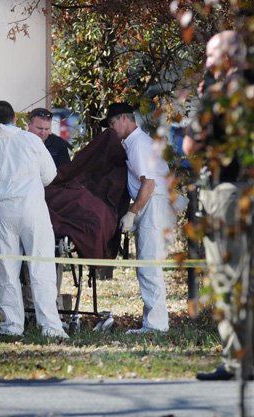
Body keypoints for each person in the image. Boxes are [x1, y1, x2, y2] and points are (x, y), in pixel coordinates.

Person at [183, 30, 254, 381]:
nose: (207, 62)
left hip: (227, 192)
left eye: (212, 55)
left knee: (229, 280)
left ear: (229, 57)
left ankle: (240, 362)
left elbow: (189, 147)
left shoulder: (217, 94)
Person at [0, 100, 68, 339]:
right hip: (32, 207)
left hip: (2, 210)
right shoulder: (32, 141)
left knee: (6, 269)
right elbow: (49, 175)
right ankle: (51, 327)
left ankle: (13, 326)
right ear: (15, 117)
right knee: (41, 265)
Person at [102, 102, 176, 334]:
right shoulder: (134, 142)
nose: (112, 128)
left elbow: (149, 184)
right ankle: (152, 321)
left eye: (113, 123)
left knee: (148, 265)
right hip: (153, 203)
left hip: (153, 203)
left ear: (125, 118)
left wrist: (132, 213)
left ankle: (156, 325)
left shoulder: (138, 144)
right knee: (146, 265)